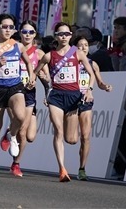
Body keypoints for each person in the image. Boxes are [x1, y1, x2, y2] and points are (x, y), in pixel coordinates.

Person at [33, 22, 97, 182]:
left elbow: (91, 74)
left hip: (73, 97)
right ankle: (62, 168)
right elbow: (35, 70)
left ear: (70, 36)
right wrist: (42, 82)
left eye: (67, 34)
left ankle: (74, 166)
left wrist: (89, 89)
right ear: (56, 36)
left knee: (72, 139)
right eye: (61, 34)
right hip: (56, 96)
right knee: (58, 132)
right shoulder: (49, 55)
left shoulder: (78, 54)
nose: (64, 37)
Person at [0, 13, 36, 179]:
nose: (8, 30)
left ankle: (11, 135)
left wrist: (32, 75)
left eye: (11, 27)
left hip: (15, 86)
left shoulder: (18, 46)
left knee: (20, 117)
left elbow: (28, 62)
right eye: (5, 26)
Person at [2, 20, 48, 177]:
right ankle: (16, 164)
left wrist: (42, 77)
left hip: (29, 94)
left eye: (31, 32)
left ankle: (9, 132)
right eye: (24, 32)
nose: (27, 35)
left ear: (35, 34)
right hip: (13, 91)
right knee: (22, 130)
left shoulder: (39, 54)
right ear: (19, 33)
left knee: (30, 136)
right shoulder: (11, 48)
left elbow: (47, 78)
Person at [74, 33, 113, 180]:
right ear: (74, 48)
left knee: (85, 137)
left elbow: (100, 83)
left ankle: (82, 168)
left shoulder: (92, 64)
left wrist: (106, 86)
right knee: (71, 138)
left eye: (85, 45)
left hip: (86, 101)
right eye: (80, 45)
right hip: (69, 101)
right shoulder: (70, 62)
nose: (83, 48)